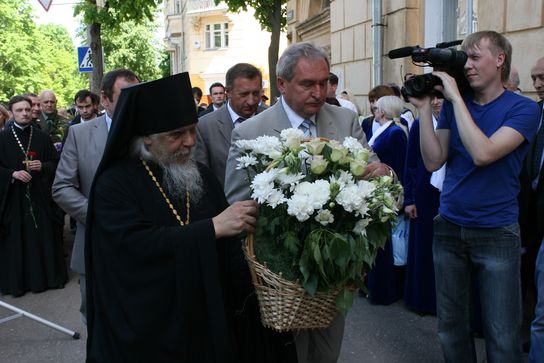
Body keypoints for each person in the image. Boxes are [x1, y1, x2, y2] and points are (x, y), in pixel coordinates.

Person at [84, 72, 272, 362]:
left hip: (204, 321)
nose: (190, 142)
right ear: (147, 137)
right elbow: (132, 246)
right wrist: (211, 229)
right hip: (151, 330)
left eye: (192, 130)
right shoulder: (114, 184)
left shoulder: (202, 177)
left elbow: (230, 248)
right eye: (177, 135)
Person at [224, 42, 393, 363]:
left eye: (324, 82)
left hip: (334, 269)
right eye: (308, 84)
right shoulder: (250, 132)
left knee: (327, 353)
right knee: (289, 355)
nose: (318, 92)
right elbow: (237, 198)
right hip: (281, 275)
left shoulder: (345, 121)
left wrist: (382, 173)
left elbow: (373, 170)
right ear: (282, 84)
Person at [408, 30, 540, 362]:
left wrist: (453, 99)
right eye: (464, 58)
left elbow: (483, 153)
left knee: (502, 333)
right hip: (449, 227)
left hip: (496, 232)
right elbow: (433, 160)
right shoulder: (457, 106)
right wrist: (424, 111)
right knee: (450, 330)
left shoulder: (523, 109)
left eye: (475, 57)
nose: (467, 65)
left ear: (500, 60)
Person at [52, 69, 140, 323]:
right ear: (105, 99)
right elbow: (61, 187)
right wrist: (98, 214)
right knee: (98, 320)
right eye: (124, 97)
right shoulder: (80, 135)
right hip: (95, 245)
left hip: (144, 246)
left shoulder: (151, 133)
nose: (131, 104)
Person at [0, 95, 67, 297]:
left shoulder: (41, 136)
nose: (24, 113)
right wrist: (11, 174)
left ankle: (47, 279)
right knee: (17, 239)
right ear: (11, 113)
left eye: (27, 110)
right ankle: (20, 283)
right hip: (14, 199)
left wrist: (43, 166)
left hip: (39, 196)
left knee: (43, 236)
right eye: (19, 110)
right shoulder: (2, 138)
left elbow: (57, 163)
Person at [403, 92, 444, 315]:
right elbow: (410, 163)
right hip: (423, 194)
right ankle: (423, 301)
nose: (437, 101)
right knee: (424, 248)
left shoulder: (457, 122)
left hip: (448, 194)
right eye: (433, 97)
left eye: (441, 97)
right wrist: (409, 199)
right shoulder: (419, 124)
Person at [366, 95, 408, 306]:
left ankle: (385, 290)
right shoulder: (387, 131)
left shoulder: (395, 133)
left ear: (383, 111)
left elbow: (400, 166)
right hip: (377, 191)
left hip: (387, 193)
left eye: (377, 108)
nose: (374, 110)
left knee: (384, 244)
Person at [194, 63, 265, 188]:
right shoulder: (204, 127)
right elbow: (202, 181)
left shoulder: (270, 117)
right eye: (244, 94)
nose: (251, 101)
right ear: (228, 92)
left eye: (255, 93)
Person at [520, 56, 544, 362]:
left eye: (543, 77)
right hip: (528, 215)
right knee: (528, 283)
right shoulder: (532, 113)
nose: (537, 84)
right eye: (534, 77)